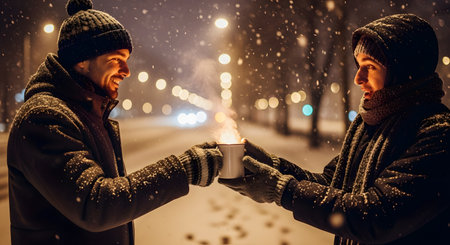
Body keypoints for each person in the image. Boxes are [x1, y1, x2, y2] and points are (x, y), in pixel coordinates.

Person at [219, 13, 449, 244]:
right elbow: (333, 184)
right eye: (359, 66)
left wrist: (282, 189)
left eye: (370, 66)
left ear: (402, 70)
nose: (359, 78)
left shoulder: (438, 133)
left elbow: (375, 216)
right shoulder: (370, 125)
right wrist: (272, 165)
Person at [7, 0, 222, 244]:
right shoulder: (45, 117)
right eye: (116, 59)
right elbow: (95, 204)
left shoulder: (86, 115)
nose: (127, 71)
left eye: (127, 59)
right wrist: (184, 169)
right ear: (82, 61)